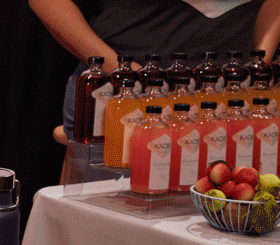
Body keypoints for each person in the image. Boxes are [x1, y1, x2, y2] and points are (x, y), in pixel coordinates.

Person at [31, 0, 280, 140]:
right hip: (120, 96)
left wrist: (259, 66)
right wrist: (128, 73)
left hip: (234, 103)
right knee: (110, 227)